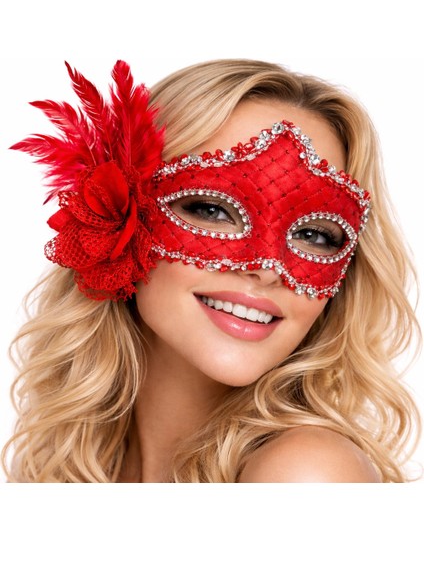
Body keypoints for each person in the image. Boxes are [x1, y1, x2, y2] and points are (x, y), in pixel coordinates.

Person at [1, 58, 421, 483]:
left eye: (314, 235)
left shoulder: (305, 470)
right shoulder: (66, 462)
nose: (266, 268)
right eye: (212, 210)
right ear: (123, 216)